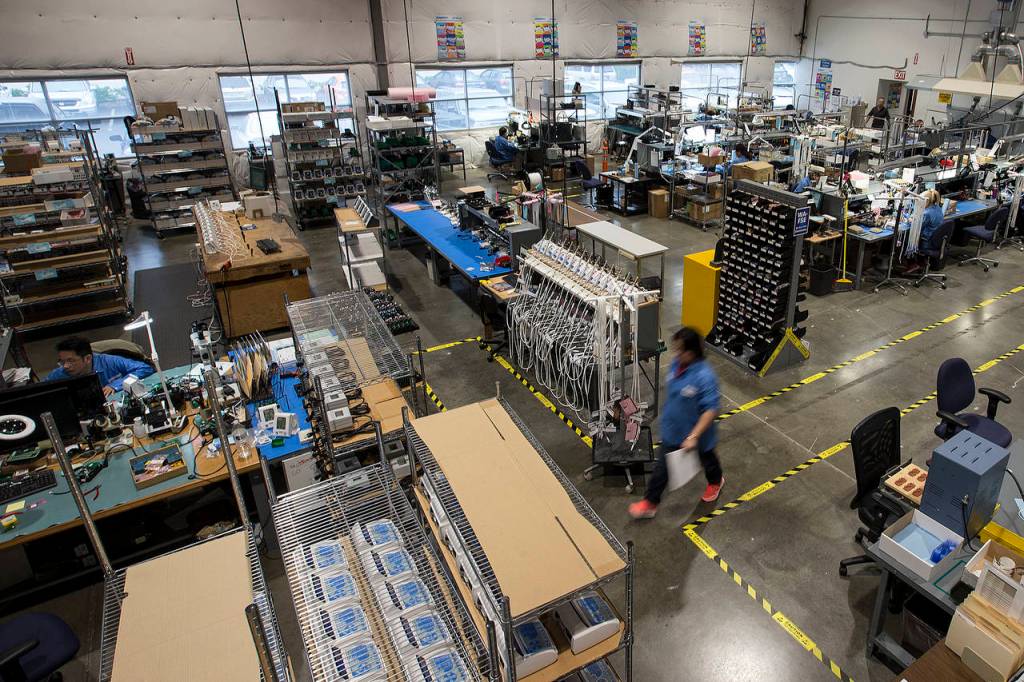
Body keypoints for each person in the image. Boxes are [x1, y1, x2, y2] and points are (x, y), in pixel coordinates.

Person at [629, 328, 723, 519]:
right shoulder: (676, 364)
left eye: (680, 350)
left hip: (698, 437)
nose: (675, 353)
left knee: (708, 461)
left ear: (692, 352)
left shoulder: (705, 377)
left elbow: (710, 410)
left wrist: (694, 436)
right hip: (673, 431)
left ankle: (716, 481)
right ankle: (650, 502)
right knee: (663, 467)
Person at [45, 336, 154, 397]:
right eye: (62, 361)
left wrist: (115, 385)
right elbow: (41, 391)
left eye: (71, 361)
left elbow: (145, 368)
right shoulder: (59, 373)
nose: (65, 366)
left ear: (87, 358)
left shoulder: (109, 361)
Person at [905, 189, 945, 275]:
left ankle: (912, 264)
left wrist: (909, 218)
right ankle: (922, 262)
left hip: (928, 241)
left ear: (926, 201)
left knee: (906, 239)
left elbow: (917, 226)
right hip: (937, 240)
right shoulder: (937, 207)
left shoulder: (926, 213)